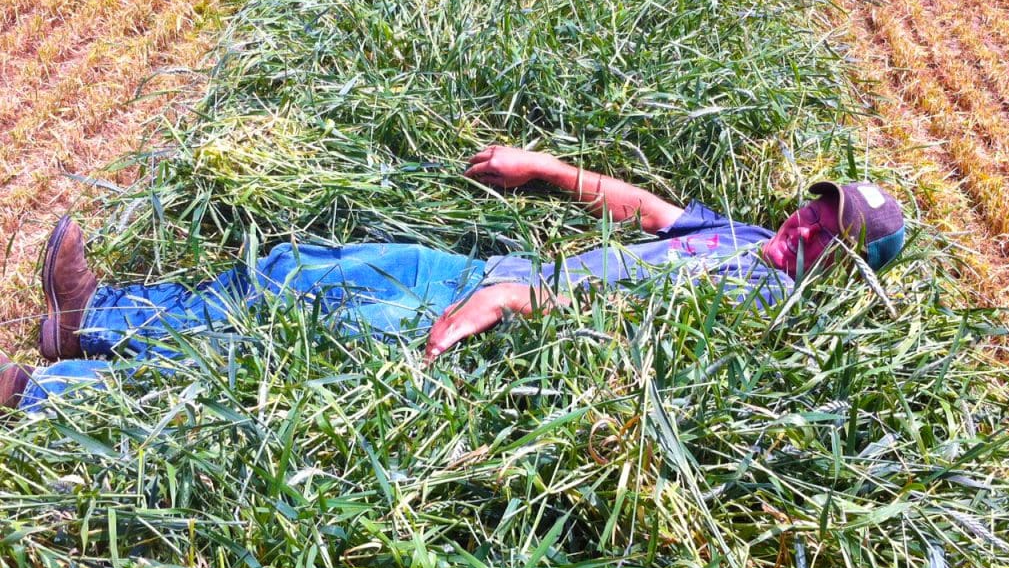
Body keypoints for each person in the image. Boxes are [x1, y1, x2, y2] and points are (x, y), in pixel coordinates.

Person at [0, 145, 905, 412]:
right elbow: (647, 210)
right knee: (297, 269)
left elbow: (638, 318)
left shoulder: (762, 305)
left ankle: (51, 397)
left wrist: (515, 301)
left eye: (831, 230)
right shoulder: (747, 240)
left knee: (275, 350)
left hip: (507, 326)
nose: (808, 219)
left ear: (845, 268)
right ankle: (94, 316)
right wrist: (544, 169)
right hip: (486, 274)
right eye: (817, 205)